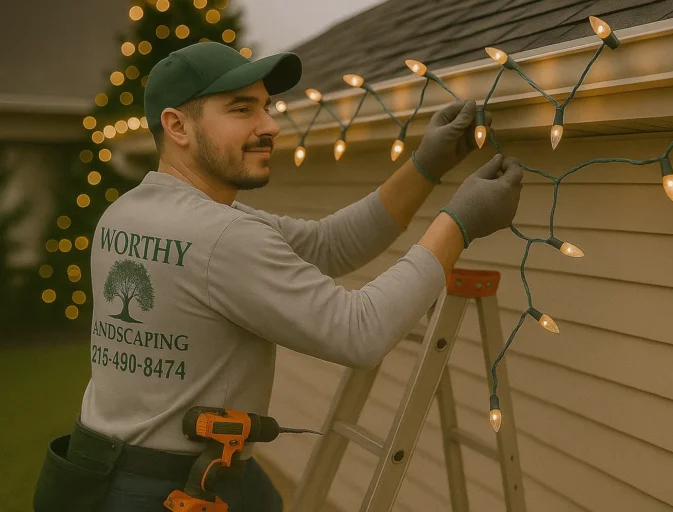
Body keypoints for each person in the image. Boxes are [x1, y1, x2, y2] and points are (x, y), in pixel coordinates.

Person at [33, 42, 522, 512]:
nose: (270, 126)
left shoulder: (123, 214)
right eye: (242, 109)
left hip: (98, 472)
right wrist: (459, 223)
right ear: (177, 125)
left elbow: (331, 244)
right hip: (171, 492)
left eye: (268, 107)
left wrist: (426, 166)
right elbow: (359, 333)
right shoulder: (223, 236)